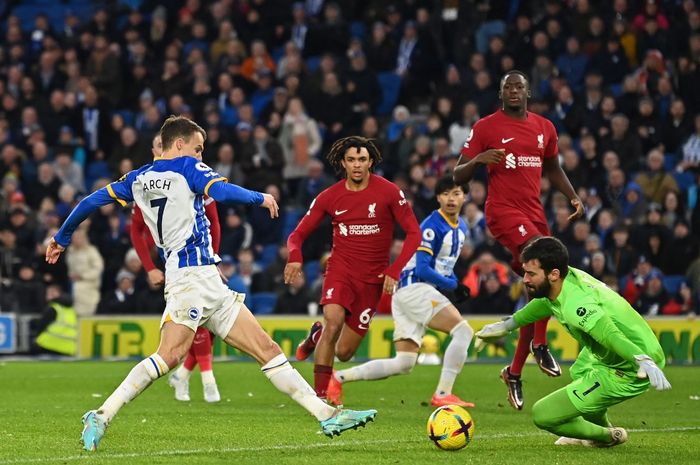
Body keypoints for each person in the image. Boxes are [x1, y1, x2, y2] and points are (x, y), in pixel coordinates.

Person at [45, 116, 377, 452]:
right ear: (179, 144)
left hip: (204, 280)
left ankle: (326, 414)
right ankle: (101, 414)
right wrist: (259, 197)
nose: (201, 156)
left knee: (267, 350)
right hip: (189, 280)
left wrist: (61, 237)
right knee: (168, 356)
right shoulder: (187, 167)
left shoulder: (137, 178)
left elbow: (89, 202)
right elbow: (220, 190)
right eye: (198, 148)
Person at [453, 70, 585, 410]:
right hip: (502, 212)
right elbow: (457, 173)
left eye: (519, 86)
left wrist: (572, 196)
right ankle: (539, 344)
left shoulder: (545, 128)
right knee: (546, 260)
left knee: (540, 284)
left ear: (528, 92)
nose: (513, 91)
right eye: (507, 86)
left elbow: (553, 167)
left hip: (534, 214)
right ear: (501, 93)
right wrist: (479, 160)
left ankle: (513, 372)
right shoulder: (486, 127)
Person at [475, 237, 671, 446]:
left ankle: (606, 437)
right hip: (623, 349)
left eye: (531, 274)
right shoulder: (565, 279)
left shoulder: (576, 306)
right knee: (580, 370)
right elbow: (545, 304)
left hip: (631, 364)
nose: (525, 279)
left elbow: (609, 335)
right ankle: (602, 431)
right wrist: (508, 325)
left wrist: (640, 359)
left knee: (544, 414)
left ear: (553, 274)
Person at [284, 136, 422, 405]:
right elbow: (297, 234)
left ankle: (316, 335)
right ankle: (320, 399)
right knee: (333, 321)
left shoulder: (390, 192)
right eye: (351, 160)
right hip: (341, 270)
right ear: (342, 163)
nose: (357, 165)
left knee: (345, 352)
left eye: (362, 159)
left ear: (371, 161)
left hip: (373, 280)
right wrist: (295, 257)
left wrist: (394, 270)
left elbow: (414, 233)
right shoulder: (330, 196)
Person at [330, 176, 475, 407]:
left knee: (404, 363)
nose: (451, 198)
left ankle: (337, 378)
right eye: (446, 193)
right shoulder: (431, 225)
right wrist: (452, 286)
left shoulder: (462, 227)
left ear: (465, 196)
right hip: (415, 288)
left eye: (456, 193)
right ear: (438, 197)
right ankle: (443, 394)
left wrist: (456, 284)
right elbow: (422, 268)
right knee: (463, 332)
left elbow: (445, 265)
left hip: (407, 293)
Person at [130, 133, 222, 403]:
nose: (163, 150)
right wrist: (149, 267)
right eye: (158, 146)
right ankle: (202, 379)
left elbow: (214, 221)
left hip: (197, 257)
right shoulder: (144, 183)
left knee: (198, 321)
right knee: (190, 324)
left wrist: (212, 258)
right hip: (169, 260)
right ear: (154, 149)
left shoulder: (191, 177)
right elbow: (135, 230)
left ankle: (189, 377)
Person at [32, 284, 77, 356]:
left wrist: (36, 338)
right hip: (68, 347)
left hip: (49, 344)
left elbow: (42, 325)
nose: (49, 295)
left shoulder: (53, 308)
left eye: (52, 293)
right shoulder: (71, 309)